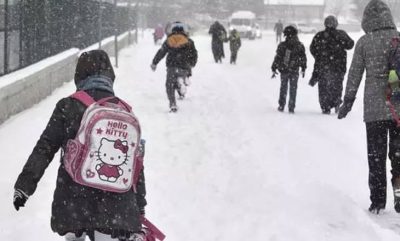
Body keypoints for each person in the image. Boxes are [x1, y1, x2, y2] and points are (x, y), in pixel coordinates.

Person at [13, 50, 147, 240]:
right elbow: (136, 165)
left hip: (73, 199)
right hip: (115, 206)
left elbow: (45, 147)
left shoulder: (68, 106)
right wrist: (139, 205)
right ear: (110, 76)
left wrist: (24, 186)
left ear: (79, 75)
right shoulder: (124, 111)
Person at [337, 0, 400, 214]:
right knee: (399, 155)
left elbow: (355, 74)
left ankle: (378, 202)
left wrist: (348, 100)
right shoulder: (398, 38)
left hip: (374, 109)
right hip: (398, 106)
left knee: (376, 156)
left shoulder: (364, 42)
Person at [309, 15, 354, 114]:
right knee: (337, 86)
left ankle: (325, 107)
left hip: (322, 66)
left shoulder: (319, 35)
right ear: (336, 24)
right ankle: (337, 102)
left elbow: (312, 49)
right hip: (339, 66)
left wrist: (319, 56)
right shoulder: (341, 34)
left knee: (323, 87)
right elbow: (350, 44)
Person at [151, 21, 198, 112]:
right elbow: (194, 54)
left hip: (172, 66)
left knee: (169, 85)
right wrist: (192, 64)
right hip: (184, 66)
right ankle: (183, 82)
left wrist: (154, 63)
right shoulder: (189, 41)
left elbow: (161, 52)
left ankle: (173, 104)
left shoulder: (169, 40)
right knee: (181, 77)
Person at [271, 25, 307, 114]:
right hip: (295, 70)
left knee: (283, 87)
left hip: (284, 70)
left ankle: (281, 105)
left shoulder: (282, 45)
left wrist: (274, 67)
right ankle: (291, 107)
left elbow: (278, 57)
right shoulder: (300, 45)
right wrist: (303, 67)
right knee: (293, 89)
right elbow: (303, 58)